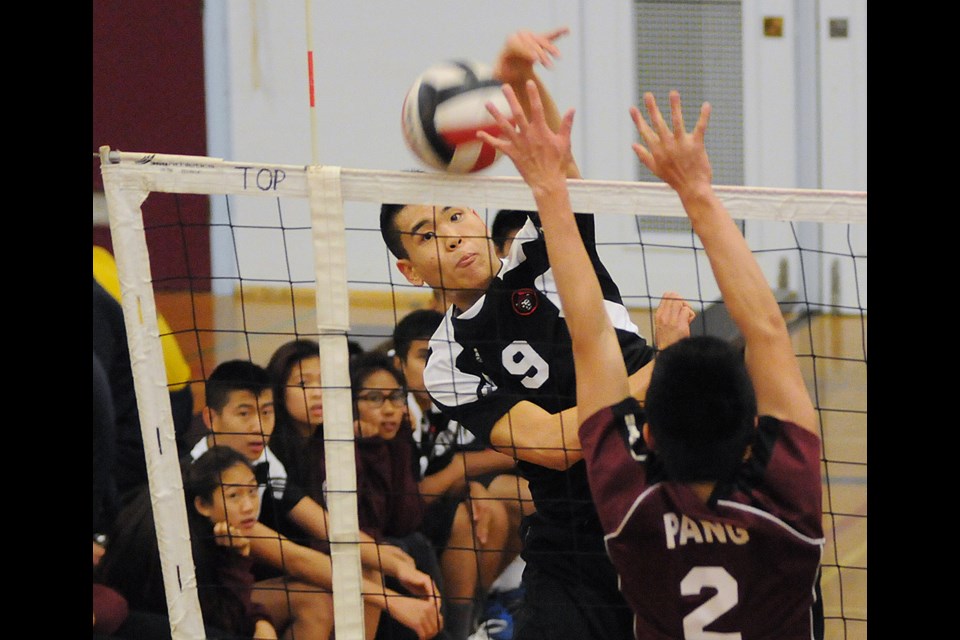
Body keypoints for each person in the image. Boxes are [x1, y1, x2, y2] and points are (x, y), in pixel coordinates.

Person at [481, 78, 824, 637]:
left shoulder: (631, 511)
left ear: (652, 438)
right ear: (752, 432)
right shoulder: (788, 499)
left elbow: (590, 338)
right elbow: (766, 330)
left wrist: (546, 188)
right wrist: (698, 192)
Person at [379, 27, 655, 640]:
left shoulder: (541, 254)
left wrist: (516, 79)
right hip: (574, 537)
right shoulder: (447, 358)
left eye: (454, 213)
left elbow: (557, 168)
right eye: (426, 235)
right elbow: (557, 444)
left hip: (661, 493)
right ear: (409, 268)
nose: (451, 235)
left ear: (477, 212)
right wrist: (672, 373)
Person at [192, 357, 444, 638]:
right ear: (211, 418)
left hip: (244, 585)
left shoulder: (264, 461)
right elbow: (294, 558)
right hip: (202, 599)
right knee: (314, 602)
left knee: (376, 560)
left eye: (266, 412)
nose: (258, 426)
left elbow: (324, 524)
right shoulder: (201, 475)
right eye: (244, 414)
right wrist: (392, 600)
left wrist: (394, 564)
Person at [393, 309, 531, 638]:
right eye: (423, 356)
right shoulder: (397, 412)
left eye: (438, 356)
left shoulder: (440, 404)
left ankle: (479, 613)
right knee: (468, 521)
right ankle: (460, 627)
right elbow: (413, 496)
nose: (431, 367)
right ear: (399, 365)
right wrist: (461, 469)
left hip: (430, 508)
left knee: (496, 507)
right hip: (398, 523)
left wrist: (467, 485)